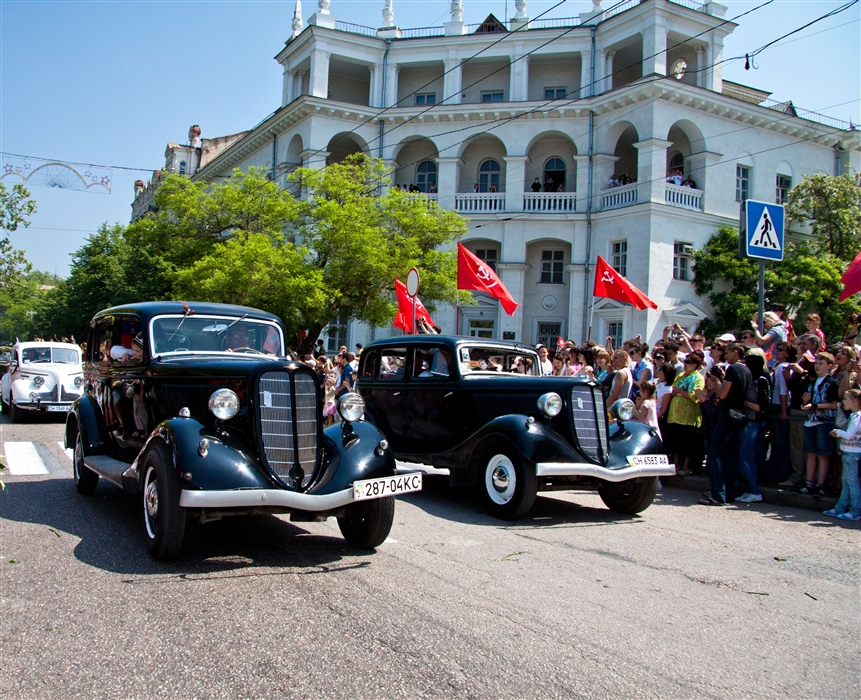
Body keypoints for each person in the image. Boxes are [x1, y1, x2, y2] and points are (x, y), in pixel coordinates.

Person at [700, 343, 752, 505]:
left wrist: (718, 380)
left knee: (715, 454)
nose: (726, 356)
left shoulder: (733, 369)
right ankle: (729, 493)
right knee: (732, 456)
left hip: (728, 413)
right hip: (740, 414)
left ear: (736, 353)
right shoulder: (747, 371)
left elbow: (723, 393)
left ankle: (717, 494)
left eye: (728, 353)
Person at [792, 352, 839, 496]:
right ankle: (809, 482)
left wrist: (815, 405)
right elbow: (808, 401)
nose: (817, 366)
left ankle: (820, 484)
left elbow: (834, 404)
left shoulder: (831, 383)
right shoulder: (812, 382)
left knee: (822, 454)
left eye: (821, 363)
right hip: (810, 420)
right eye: (816, 363)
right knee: (811, 453)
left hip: (824, 422)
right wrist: (806, 402)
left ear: (829, 366)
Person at [736, 348, 771, 503]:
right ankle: (752, 488)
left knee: (742, 457)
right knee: (748, 457)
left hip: (755, 423)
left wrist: (744, 402)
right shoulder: (752, 379)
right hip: (749, 421)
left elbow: (763, 407)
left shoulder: (762, 380)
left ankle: (755, 490)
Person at [825, 388, 861, 520]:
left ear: (854, 401)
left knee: (852, 482)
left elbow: (849, 435)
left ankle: (856, 511)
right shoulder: (853, 416)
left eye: (846, 399)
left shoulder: (857, 417)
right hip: (848, 453)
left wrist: (837, 432)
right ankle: (840, 507)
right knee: (846, 481)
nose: (843, 401)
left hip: (853, 454)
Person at [667, 354, 705, 476]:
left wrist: (681, 392)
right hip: (675, 414)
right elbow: (672, 390)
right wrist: (676, 392)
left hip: (689, 416)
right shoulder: (680, 375)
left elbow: (693, 395)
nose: (685, 364)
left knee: (687, 442)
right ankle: (676, 464)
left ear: (695, 365)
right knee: (675, 441)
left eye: (688, 362)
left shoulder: (698, 377)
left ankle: (686, 466)